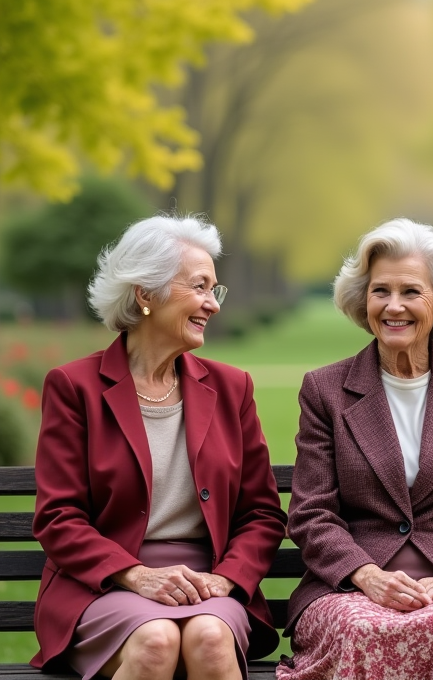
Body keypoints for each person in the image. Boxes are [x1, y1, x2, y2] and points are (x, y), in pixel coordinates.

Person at [30, 214, 287, 680]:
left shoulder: (232, 388)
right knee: (156, 640)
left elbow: (263, 514)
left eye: (215, 289)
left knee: (209, 638)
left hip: (209, 583)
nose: (213, 304)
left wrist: (226, 579)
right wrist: (137, 576)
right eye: (199, 286)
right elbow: (58, 516)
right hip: (105, 585)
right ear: (145, 294)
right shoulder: (74, 387)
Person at [278, 219, 433, 680]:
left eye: (411, 291)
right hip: (347, 589)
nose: (394, 306)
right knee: (361, 627)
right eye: (380, 291)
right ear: (363, 301)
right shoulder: (325, 390)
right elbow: (312, 512)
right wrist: (367, 576)